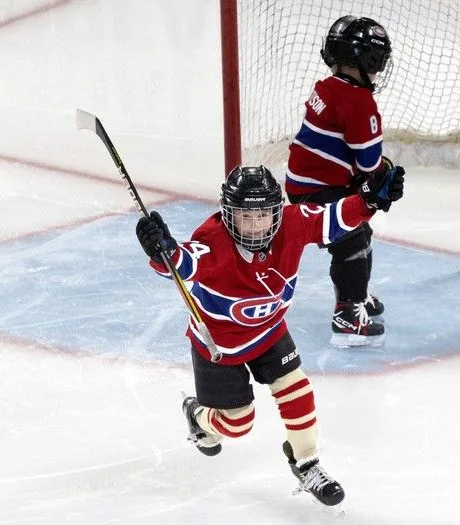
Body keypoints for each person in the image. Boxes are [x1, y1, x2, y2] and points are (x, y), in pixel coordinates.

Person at [135, 164, 404, 506]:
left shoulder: (292, 224)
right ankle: (197, 417)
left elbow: (332, 218)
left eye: (263, 214)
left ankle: (307, 464)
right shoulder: (213, 238)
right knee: (238, 424)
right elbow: (182, 262)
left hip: (270, 332)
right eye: (246, 216)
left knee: (298, 389)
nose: (256, 224)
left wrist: (368, 200)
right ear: (228, 215)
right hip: (220, 345)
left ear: (277, 211)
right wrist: (163, 252)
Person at [285, 15, 394, 348]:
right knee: (354, 238)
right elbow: (368, 162)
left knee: (357, 232)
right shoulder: (360, 102)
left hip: (301, 185)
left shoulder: (326, 87)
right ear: (368, 60)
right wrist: (382, 174)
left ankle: (354, 294)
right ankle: (347, 314)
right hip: (319, 191)